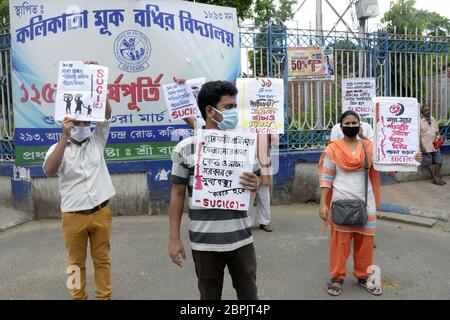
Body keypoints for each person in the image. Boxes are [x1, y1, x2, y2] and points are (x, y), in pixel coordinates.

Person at [168, 80, 260, 300]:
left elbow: (253, 188)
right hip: (204, 242)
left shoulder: (245, 146)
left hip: (241, 239)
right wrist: (174, 238)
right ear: (210, 111)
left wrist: (254, 185)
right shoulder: (186, 148)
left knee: (249, 297)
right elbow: (177, 193)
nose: (234, 112)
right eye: (229, 107)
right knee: (209, 298)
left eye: (235, 107)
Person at [43, 61, 115, 300]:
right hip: (73, 215)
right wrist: (65, 137)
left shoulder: (96, 141)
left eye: (85, 122)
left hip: (101, 212)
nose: (82, 126)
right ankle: (78, 296)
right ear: (67, 123)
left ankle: (104, 296)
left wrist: (97, 81)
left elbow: (106, 115)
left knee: (102, 259)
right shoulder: (57, 148)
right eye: (77, 123)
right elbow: (50, 170)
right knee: (75, 263)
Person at [318, 110, 382, 297]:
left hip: (366, 202)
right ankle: (337, 277)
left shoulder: (370, 147)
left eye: (355, 122)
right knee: (340, 243)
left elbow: (386, 163)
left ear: (360, 126)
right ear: (341, 126)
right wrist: (323, 203)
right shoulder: (332, 149)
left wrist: (413, 157)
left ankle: (363, 276)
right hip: (341, 202)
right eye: (348, 122)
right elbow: (326, 177)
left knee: (366, 242)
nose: (351, 125)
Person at [249, 134, 279, 232]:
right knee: (248, 194)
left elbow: (275, 140)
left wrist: (271, 136)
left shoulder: (266, 124)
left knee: (264, 194)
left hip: (264, 160)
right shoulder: (244, 122)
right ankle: (247, 223)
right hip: (247, 160)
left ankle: (265, 222)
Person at [420, 104, 446, 185]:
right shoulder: (419, 121)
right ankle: (434, 179)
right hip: (426, 144)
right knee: (428, 161)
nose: (428, 112)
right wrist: (421, 147)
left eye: (429, 110)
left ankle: (437, 176)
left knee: (439, 160)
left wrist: (439, 137)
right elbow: (418, 135)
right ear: (422, 112)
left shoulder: (432, 118)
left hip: (435, 144)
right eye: (426, 110)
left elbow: (437, 131)